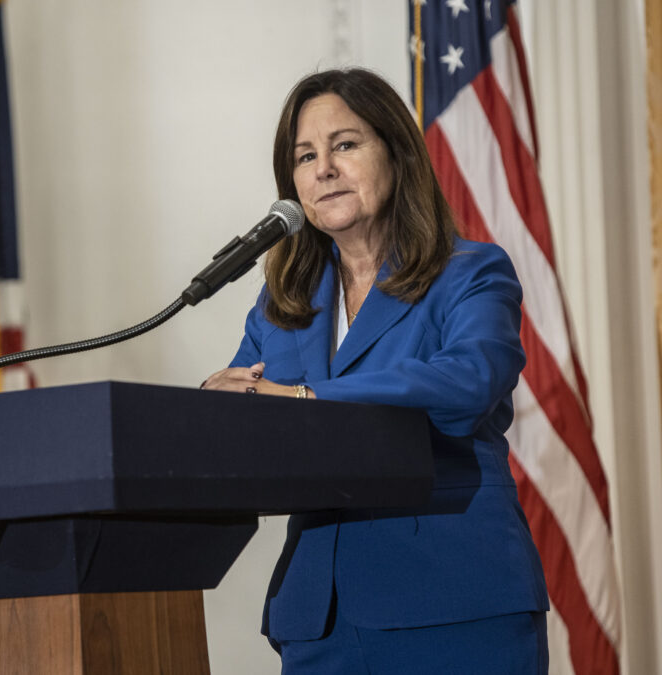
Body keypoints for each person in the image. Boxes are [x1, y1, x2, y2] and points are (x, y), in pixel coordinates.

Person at [201, 68, 549, 673]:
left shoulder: (470, 274)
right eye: (305, 156)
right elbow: (249, 421)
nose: (323, 169)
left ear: (398, 153)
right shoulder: (283, 305)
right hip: (321, 620)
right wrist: (211, 407)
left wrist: (308, 401)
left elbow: (467, 381)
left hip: (455, 600)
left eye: (344, 145)